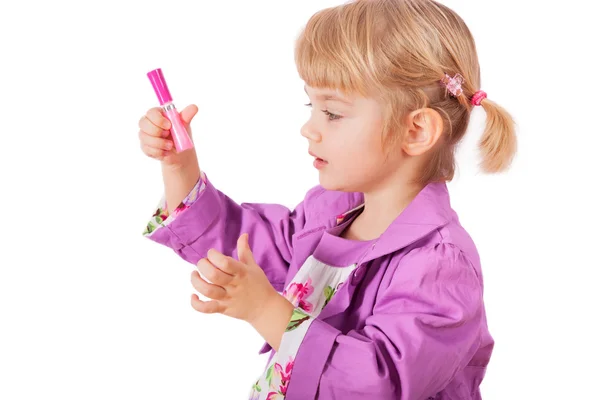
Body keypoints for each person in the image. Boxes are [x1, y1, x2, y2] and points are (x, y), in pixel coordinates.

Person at [137, 0, 517, 398]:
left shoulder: (438, 266)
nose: (308, 128)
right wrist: (180, 167)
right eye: (311, 105)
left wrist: (267, 311)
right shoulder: (329, 212)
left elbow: (381, 384)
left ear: (416, 130)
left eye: (332, 113)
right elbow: (244, 244)